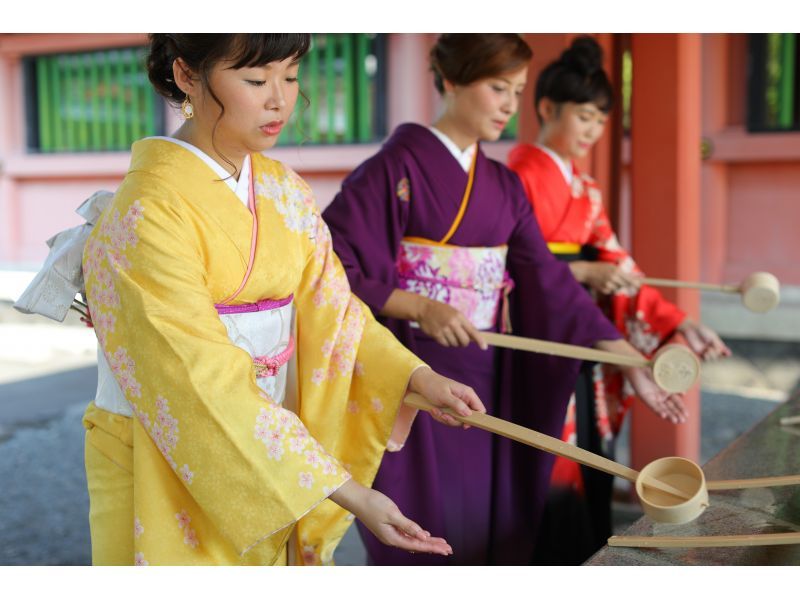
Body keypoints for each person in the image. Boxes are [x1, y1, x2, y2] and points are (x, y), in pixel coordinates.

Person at [71, 33, 489, 566]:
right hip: (166, 448)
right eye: (254, 79)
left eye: (290, 76)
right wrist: (347, 491)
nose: (280, 99)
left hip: (272, 441)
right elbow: (197, 380)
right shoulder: (146, 212)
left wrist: (416, 378)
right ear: (186, 75)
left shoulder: (285, 190)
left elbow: (335, 316)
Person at [322, 33, 689, 566]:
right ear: (451, 80)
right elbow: (331, 266)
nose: (511, 105)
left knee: (490, 532)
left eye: (517, 90)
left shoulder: (502, 183)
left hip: (485, 373)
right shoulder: (393, 169)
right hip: (415, 379)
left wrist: (626, 358)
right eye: (498, 88)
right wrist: (418, 305)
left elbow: (547, 278)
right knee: (427, 529)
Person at [507, 35, 730, 564]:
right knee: (548, 461)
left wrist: (679, 323)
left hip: (585, 335)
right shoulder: (519, 175)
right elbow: (515, 266)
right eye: (584, 116)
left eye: (601, 121)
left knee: (588, 456)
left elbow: (620, 266)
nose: (593, 130)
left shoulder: (586, 190)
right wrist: (579, 269)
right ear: (546, 108)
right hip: (538, 336)